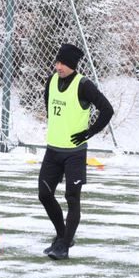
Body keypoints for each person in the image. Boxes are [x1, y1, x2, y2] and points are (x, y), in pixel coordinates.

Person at [39, 43, 114, 261]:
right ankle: (63, 236)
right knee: (44, 195)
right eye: (57, 62)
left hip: (74, 153)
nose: (58, 67)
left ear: (72, 65)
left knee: (72, 197)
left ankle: (63, 246)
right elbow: (49, 106)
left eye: (62, 63)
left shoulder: (84, 85)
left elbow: (107, 110)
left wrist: (89, 132)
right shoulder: (51, 81)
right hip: (53, 150)